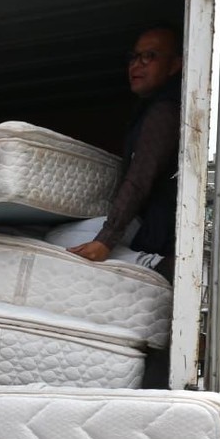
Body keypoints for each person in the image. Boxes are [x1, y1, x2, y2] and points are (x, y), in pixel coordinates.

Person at [64, 26, 183, 273]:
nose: (135, 65)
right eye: (133, 57)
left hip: (153, 228)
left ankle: (155, 265)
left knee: (58, 239)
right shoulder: (150, 108)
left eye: (149, 56)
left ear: (174, 65)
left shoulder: (163, 112)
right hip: (148, 224)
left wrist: (105, 241)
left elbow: (139, 178)